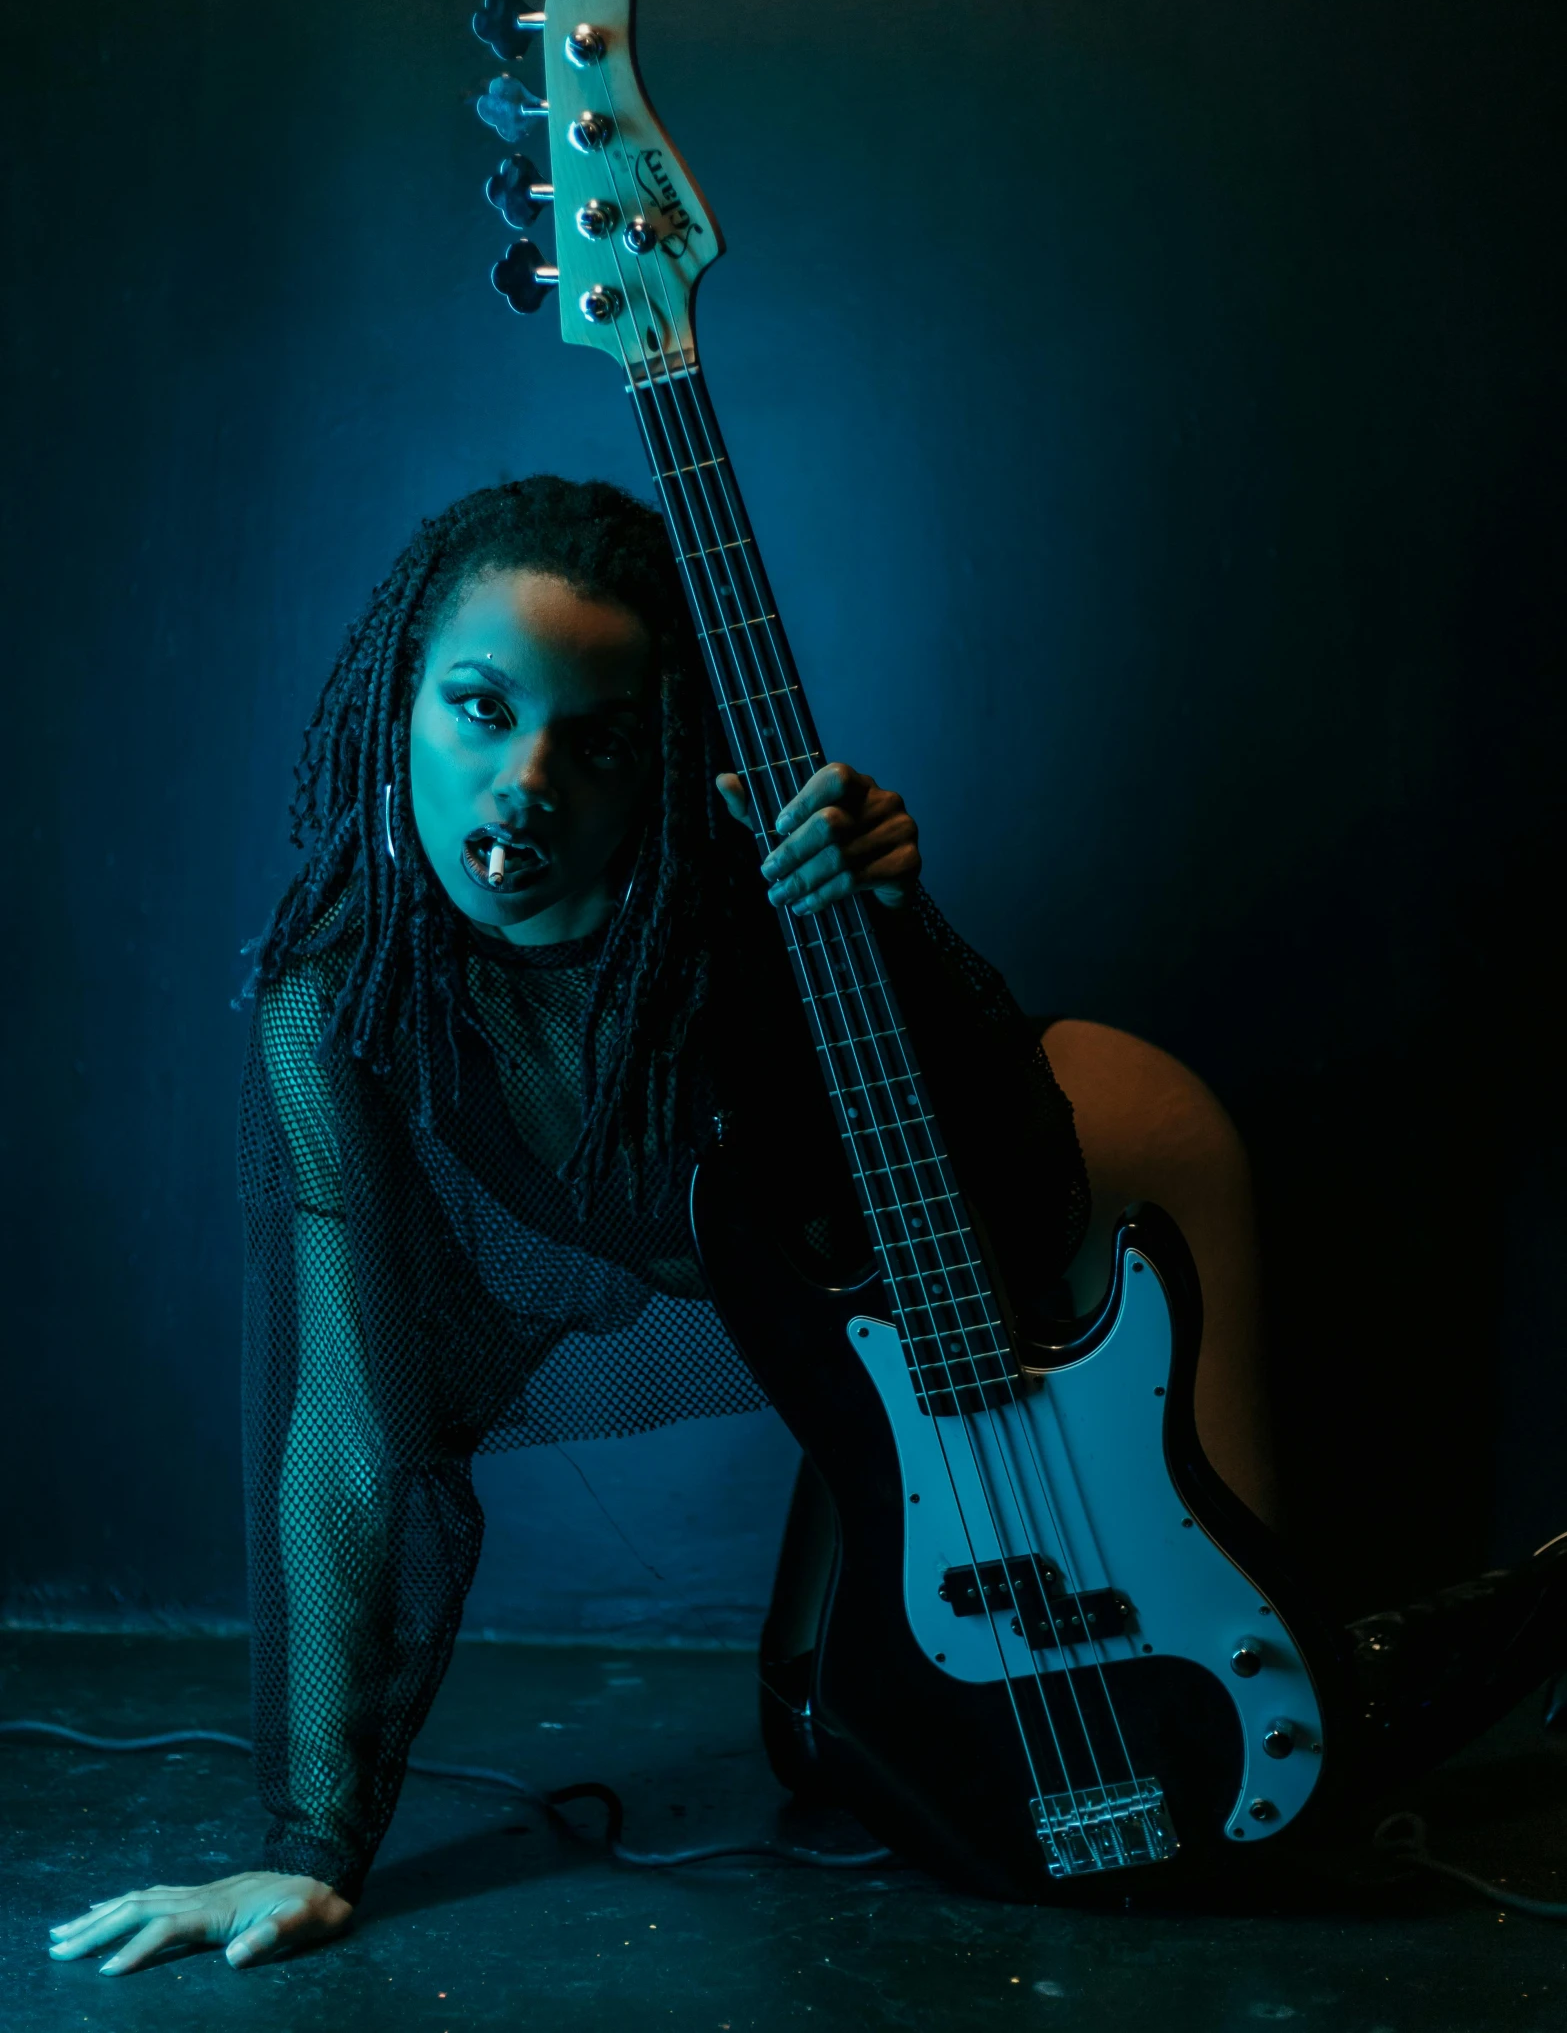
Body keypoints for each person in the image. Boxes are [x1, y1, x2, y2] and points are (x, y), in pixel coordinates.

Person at [45, 474, 1567, 1976]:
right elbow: (343, 1432)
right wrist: (309, 1838)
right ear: (397, 706)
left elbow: (971, 1178)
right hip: (865, 1319)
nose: (526, 782)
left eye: (597, 738)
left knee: (1248, 1711)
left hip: (1100, 1172)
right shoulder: (342, 1005)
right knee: (823, 1732)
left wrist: (887, 929)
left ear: (660, 760)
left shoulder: (751, 920)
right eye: (480, 708)